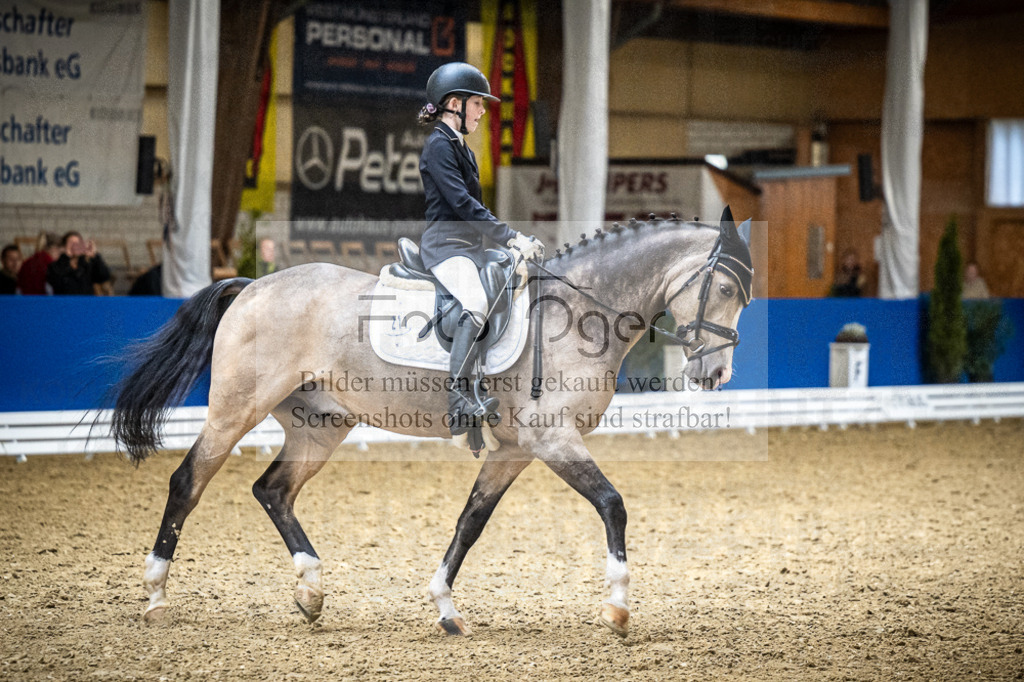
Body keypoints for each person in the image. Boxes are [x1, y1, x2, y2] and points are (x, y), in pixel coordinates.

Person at [417, 61, 544, 437]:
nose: (484, 110)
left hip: (470, 247)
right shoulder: (439, 146)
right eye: (478, 103)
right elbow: (463, 205)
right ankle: (458, 402)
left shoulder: (463, 148)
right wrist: (510, 237)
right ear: (454, 103)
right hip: (446, 246)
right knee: (475, 305)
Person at [46, 231, 112, 295]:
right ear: (64, 246)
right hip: (64, 303)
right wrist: (67, 256)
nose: (74, 246)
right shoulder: (55, 266)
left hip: (85, 303)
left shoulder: (87, 265)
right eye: (71, 243)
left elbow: (104, 277)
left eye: (77, 243)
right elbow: (56, 282)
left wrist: (95, 256)